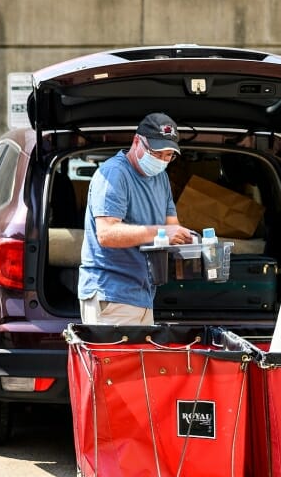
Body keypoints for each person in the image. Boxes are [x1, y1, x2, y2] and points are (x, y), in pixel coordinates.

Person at [78, 113, 195, 325]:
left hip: (144, 295)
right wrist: (160, 233)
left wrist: (193, 241)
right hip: (112, 295)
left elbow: (171, 226)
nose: (161, 160)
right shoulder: (115, 174)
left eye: (168, 155)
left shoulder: (161, 178)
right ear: (136, 142)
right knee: (118, 359)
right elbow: (107, 234)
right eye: (156, 153)